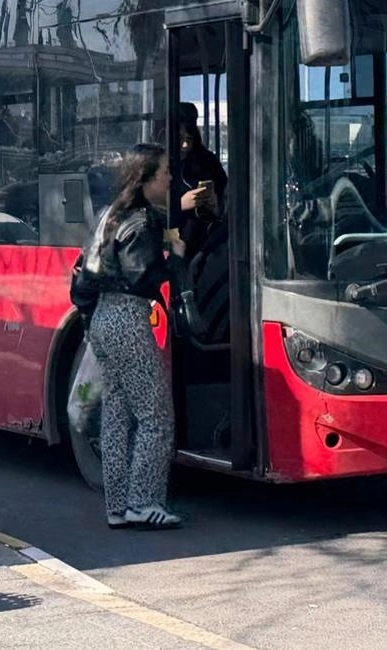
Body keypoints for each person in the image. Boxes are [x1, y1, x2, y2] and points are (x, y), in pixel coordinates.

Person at [78, 144, 184, 530]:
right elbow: (143, 275)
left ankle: (118, 506)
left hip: (103, 316)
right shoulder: (141, 223)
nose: (171, 177)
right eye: (166, 172)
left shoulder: (111, 214)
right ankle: (144, 502)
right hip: (127, 318)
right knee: (156, 415)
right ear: (146, 178)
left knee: (118, 414)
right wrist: (174, 254)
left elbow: (86, 269)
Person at [175, 103, 227, 252]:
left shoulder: (206, 160)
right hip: (172, 236)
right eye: (179, 139)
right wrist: (178, 205)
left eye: (189, 139)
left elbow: (225, 191)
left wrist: (216, 205)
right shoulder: (161, 162)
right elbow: (150, 206)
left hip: (206, 237)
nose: (185, 145)